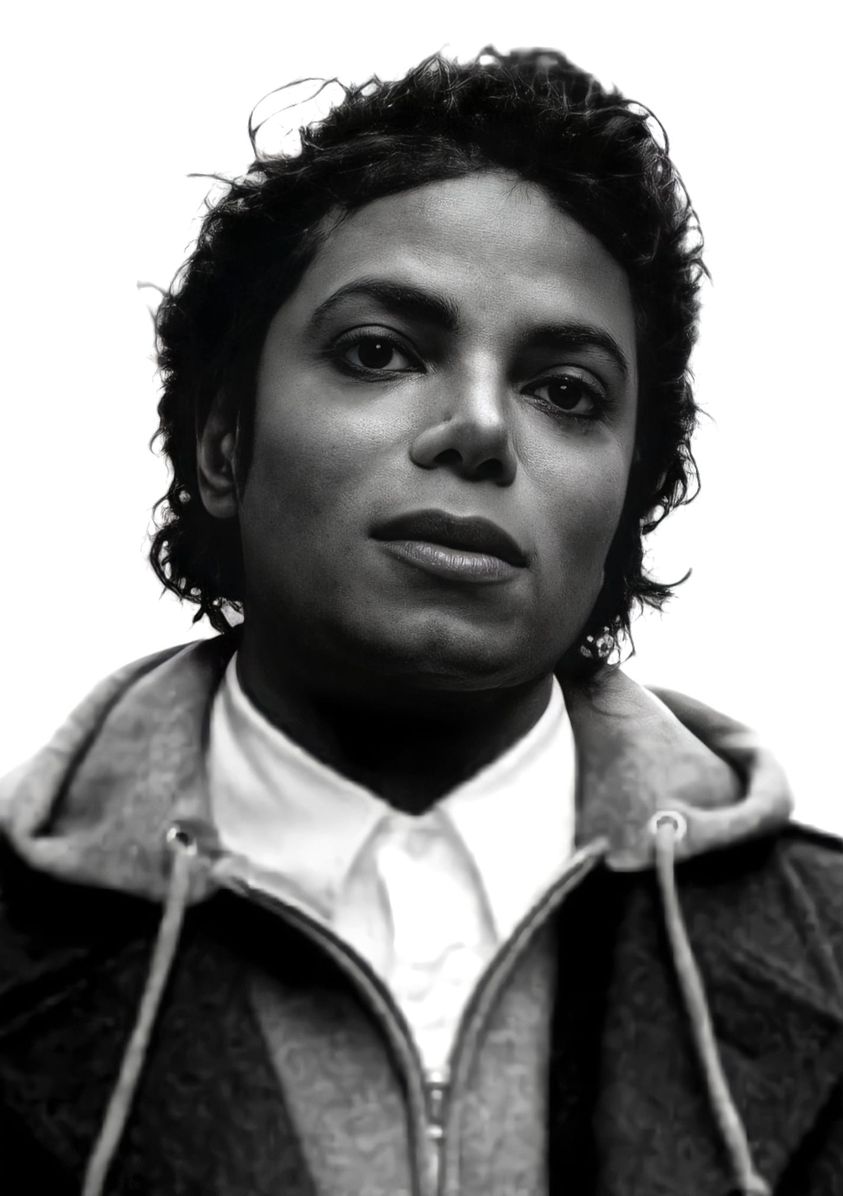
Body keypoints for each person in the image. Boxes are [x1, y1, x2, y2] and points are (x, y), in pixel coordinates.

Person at [1, 46, 841, 1196]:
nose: (481, 428)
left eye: (567, 391)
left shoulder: (826, 948)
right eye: (380, 351)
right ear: (223, 442)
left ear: (628, 500)